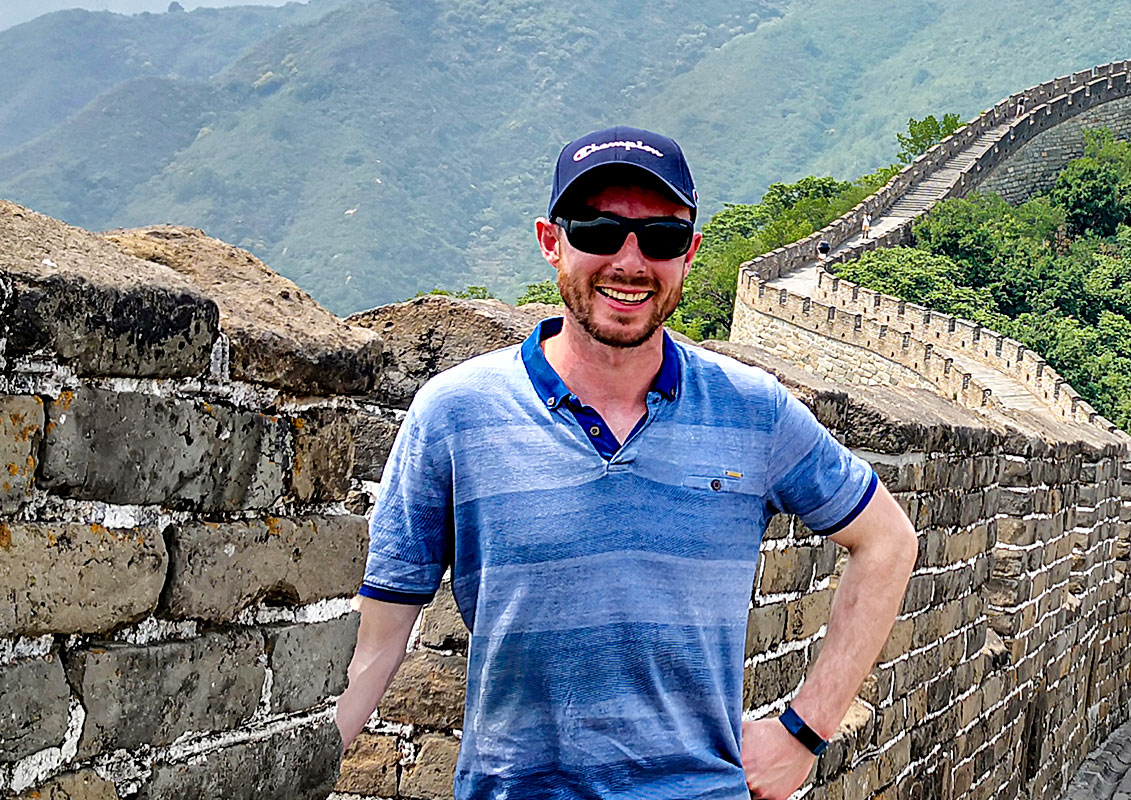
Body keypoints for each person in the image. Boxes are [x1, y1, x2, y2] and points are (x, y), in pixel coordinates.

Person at [334, 126, 920, 800]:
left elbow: (888, 539)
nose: (630, 262)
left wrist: (804, 732)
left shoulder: (752, 411)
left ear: (691, 254)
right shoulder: (456, 414)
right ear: (551, 241)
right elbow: (379, 637)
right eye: (599, 231)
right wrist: (307, 760)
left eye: (662, 238)